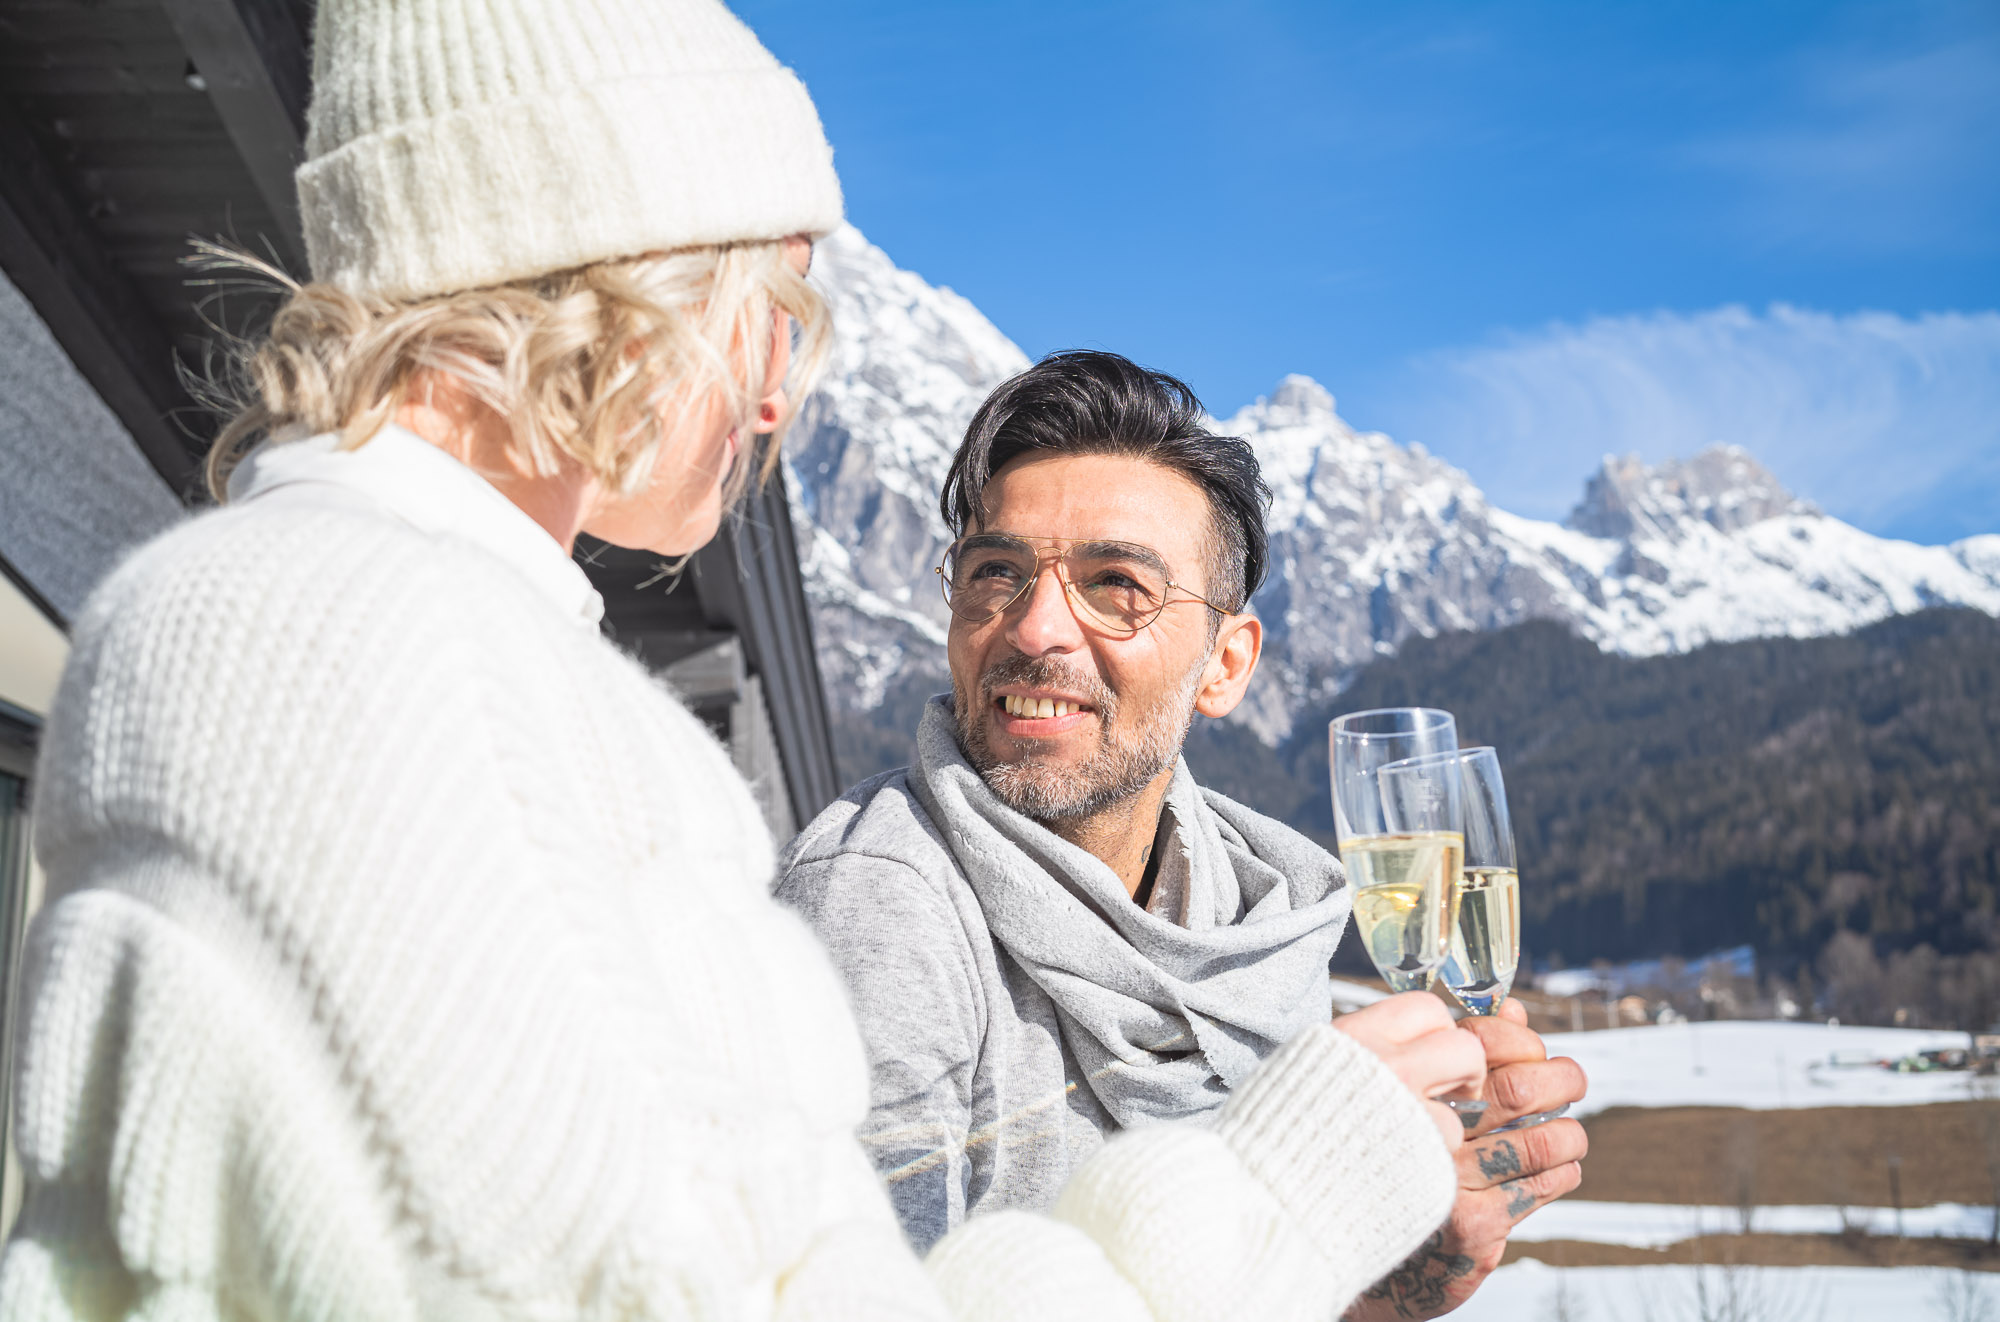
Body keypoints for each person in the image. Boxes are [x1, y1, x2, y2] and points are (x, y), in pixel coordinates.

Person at [0, 2, 1487, 1319]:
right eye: (773, 305)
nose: (779, 388)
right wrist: (1282, 1196)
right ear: (631, 279)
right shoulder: (370, 652)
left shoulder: (433, 642)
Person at [776, 350, 1589, 1316]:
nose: (1036, 629)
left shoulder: (1259, 927)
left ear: (1226, 664)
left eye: (1117, 583)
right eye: (997, 571)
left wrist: (1379, 1290)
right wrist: (1284, 1200)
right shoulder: (876, 900)